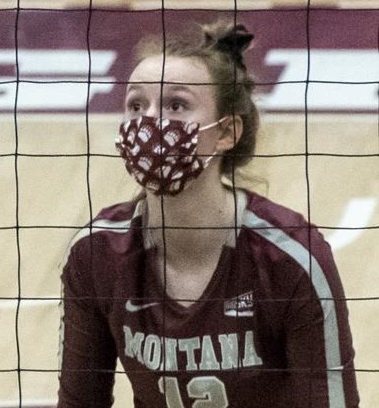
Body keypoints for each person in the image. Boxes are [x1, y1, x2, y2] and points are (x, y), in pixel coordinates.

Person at [59, 23, 360, 408]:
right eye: (137, 105)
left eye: (176, 106)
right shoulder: (96, 253)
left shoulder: (292, 258)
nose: (151, 122)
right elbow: (79, 401)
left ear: (226, 132)